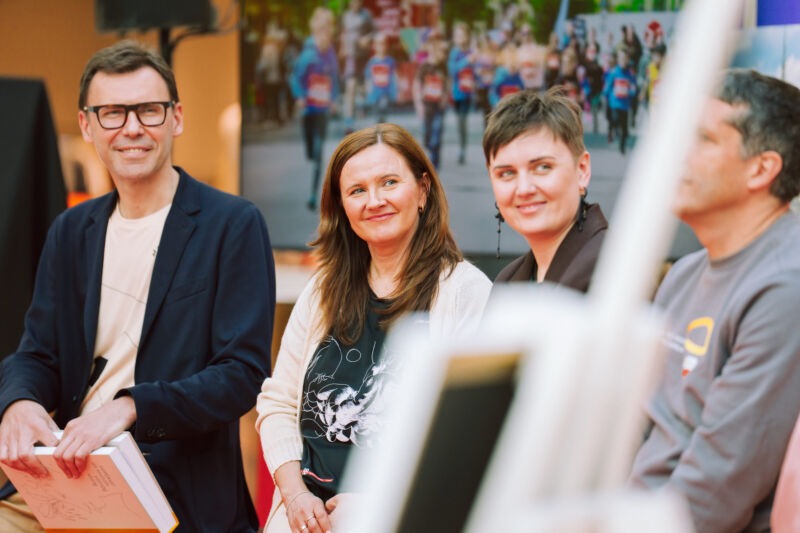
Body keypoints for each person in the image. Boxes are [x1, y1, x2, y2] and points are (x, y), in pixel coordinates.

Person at [0, 41, 275, 532]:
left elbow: (242, 375)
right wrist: (19, 402)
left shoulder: (232, 224)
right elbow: (37, 353)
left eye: (149, 110)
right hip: (67, 471)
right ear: (87, 125)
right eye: (112, 113)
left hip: (168, 484)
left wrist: (129, 408)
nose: (131, 128)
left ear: (176, 118)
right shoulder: (71, 229)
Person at [256, 123, 492, 533]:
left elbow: (470, 434)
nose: (375, 200)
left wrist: (379, 504)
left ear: (422, 190)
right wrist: (295, 497)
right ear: (342, 207)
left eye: (389, 182)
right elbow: (278, 403)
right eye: (357, 190)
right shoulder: (322, 290)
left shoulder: (466, 292)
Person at [628, 68, 800, 532]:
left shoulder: (786, 287)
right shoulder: (685, 274)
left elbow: (718, 489)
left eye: (701, 139)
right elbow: (638, 431)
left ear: (761, 169)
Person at [483, 87, 608, 289]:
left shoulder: (615, 267)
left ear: (582, 170)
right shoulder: (508, 280)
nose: (524, 189)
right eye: (506, 173)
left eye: (542, 167)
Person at [291, 7, 339, 211]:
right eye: (322, 34)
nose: (326, 38)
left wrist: (334, 99)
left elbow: (334, 78)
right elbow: (295, 78)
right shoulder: (307, 55)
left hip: (322, 110)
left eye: (329, 34)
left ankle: (313, 195)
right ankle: (312, 153)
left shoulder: (331, 54)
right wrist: (300, 96)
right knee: (310, 152)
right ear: (316, 34)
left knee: (318, 154)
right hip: (308, 110)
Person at [339, 0, 374, 134]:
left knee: (363, 88)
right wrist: (342, 47)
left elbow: (374, 31)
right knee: (351, 87)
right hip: (350, 56)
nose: (355, 4)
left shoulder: (366, 15)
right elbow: (342, 33)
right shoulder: (345, 16)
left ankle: (366, 115)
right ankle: (348, 122)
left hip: (363, 56)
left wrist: (367, 38)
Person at [448, 21, 476, 165]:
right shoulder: (455, 53)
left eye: (462, 35)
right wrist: (466, 61)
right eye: (457, 35)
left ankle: (462, 149)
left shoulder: (471, 52)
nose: (459, 38)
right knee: (459, 121)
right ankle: (461, 146)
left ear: (467, 36)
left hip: (468, 93)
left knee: (463, 120)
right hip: (457, 93)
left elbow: (476, 72)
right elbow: (452, 70)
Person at [363, 32, 397, 124]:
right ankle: (379, 127)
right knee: (376, 116)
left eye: (383, 43)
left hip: (386, 93)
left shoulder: (390, 61)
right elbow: (368, 77)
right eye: (378, 44)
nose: (381, 46)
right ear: (374, 46)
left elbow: (394, 76)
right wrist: (368, 90)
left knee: (383, 106)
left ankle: (382, 124)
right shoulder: (372, 62)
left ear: (386, 45)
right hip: (374, 93)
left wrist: (395, 91)